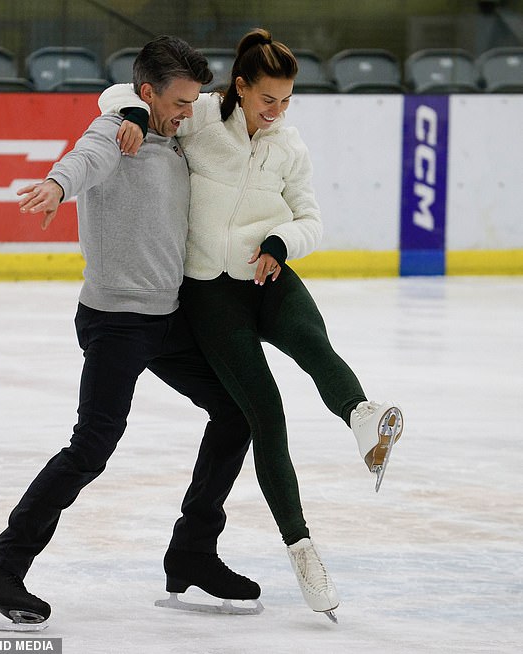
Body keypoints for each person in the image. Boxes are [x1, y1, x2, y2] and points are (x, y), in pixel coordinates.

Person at [98, 27, 404, 622]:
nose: (278, 112)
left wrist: (280, 241)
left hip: (267, 274)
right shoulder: (201, 118)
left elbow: (311, 218)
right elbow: (114, 96)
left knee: (315, 344)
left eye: (288, 101)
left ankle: (364, 419)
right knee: (264, 412)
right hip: (211, 293)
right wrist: (135, 113)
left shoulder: (289, 146)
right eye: (269, 100)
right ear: (240, 87)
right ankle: (303, 551)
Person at [0, 35, 263, 626]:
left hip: (167, 318)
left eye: (192, 101)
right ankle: (0, 571)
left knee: (236, 411)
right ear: (147, 93)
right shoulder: (113, 133)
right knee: (91, 448)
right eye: (178, 102)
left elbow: (142, 99)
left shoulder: (168, 132)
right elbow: (85, 157)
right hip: (118, 321)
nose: (187, 113)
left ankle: (193, 552)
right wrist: (56, 184)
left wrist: (142, 110)